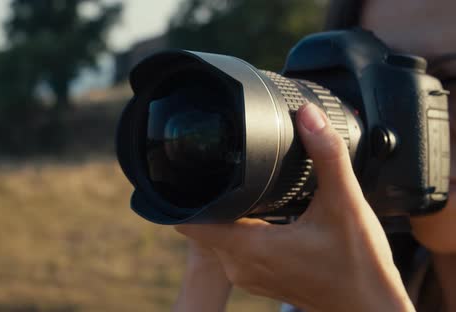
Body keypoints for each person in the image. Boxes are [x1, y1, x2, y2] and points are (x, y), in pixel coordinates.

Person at [172, 0, 456, 311]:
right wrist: (207, 263)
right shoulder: (353, 277)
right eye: (384, 82)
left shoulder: (360, 292)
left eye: (450, 81)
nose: (425, 129)